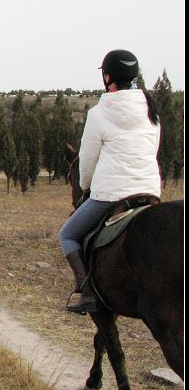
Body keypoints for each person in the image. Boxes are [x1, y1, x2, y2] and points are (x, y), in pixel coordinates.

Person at [58, 49, 161, 314]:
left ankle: (87, 291)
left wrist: (85, 187)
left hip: (111, 193)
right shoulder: (151, 110)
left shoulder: (99, 113)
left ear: (107, 77)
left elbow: (87, 161)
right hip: (150, 190)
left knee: (67, 234)